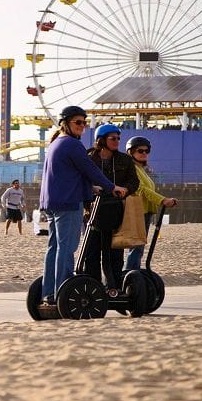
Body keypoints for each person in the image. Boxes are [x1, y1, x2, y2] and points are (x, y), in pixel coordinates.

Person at [39, 106, 127, 304]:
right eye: (77, 122)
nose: (82, 126)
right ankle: (62, 290)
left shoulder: (55, 144)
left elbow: (70, 173)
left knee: (53, 247)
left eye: (84, 122)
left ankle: (49, 292)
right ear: (65, 123)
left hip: (52, 201)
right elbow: (90, 170)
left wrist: (92, 188)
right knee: (66, 248)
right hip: (68, 202)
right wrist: (111, 186)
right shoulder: (71, 144)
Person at [85, 123, 140, 294]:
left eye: (118, 138)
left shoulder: (125, 160)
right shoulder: (88, 157)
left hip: (115, 211)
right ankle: (94, 287)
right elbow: (80, 178)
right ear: (101, 140)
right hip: (93, 212)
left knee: (114, 252)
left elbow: (134, 181)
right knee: (92, 252)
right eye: (112, 138)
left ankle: (114, 287)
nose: (117, 141)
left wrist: (126, 190)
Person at [123, 136, 178, 270]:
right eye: (140, 151)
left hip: (145, 212)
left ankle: (133, 273)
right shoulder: (133, 169)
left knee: (139, 247)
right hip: (138, 212)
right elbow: (141, 189)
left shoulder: (141, 169)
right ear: (130, 152)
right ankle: (130, 274)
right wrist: (162, 200)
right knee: (136, 247)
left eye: (146, 151)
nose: (144, 154)